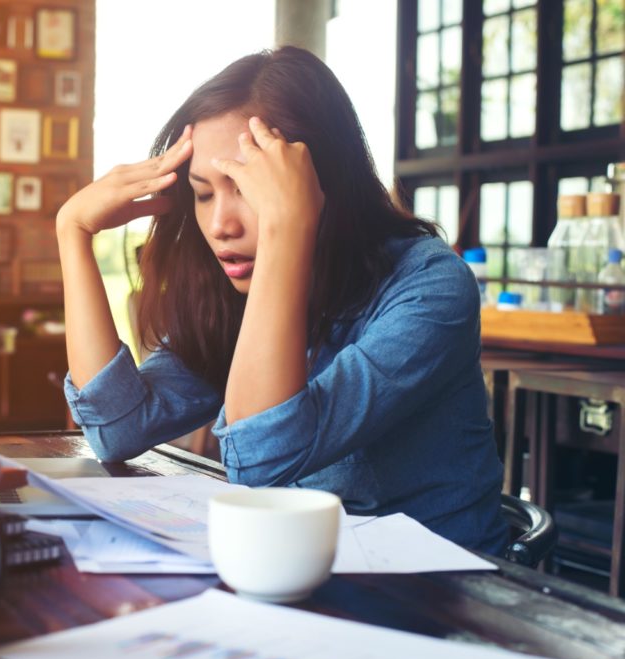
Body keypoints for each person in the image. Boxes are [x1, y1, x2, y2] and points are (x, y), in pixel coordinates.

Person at [56, 46, 506, 554]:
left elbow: (261, 456)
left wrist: (289, 227)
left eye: (246, 188)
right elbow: (116, 429)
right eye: (203, 194)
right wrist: (72, 232)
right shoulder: (233, 290)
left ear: (321, 183)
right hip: (302, 569)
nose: (221, 224)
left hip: (443, 589)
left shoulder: (430, 283)